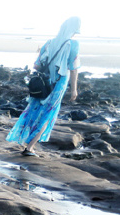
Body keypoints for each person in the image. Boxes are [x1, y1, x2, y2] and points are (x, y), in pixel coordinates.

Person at [7, 16, 81, 156]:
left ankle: (26, 142)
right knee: (47, 115)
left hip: (42, 83)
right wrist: (74, 90)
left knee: (33, 111)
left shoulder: (49, 43)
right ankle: (29, 148)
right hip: (58, 85)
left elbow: (37, 65)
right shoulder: (73, 45)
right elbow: (74, 68)